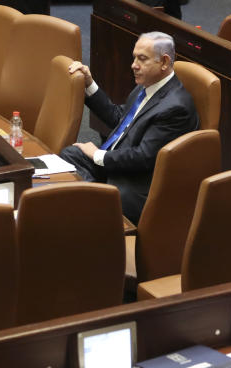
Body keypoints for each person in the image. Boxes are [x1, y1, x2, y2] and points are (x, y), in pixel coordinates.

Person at [59, 31, 199, 224]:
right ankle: (91, 203)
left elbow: (144, 157)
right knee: (71, 155)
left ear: (164, 62)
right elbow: (120, 118)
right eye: (134, 58)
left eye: (142, 59)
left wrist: (98, 156)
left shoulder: (175, 107)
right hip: (119, 163)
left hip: (136, 182)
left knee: (99, 190)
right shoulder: (147, 86)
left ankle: (91, 207)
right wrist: (89, 84)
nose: (134, 65)